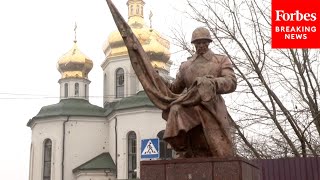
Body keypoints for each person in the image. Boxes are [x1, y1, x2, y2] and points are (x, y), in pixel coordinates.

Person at [162, 27, 237, 158]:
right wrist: (160, 80)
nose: (201, 45)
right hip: (191, 105)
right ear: (194, 44)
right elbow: (175, 89)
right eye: (198, 43)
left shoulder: (221, 60)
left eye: (204, 42)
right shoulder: (186, 65)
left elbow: (231, 82)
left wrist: (213, 83)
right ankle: (182, 148)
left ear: (209, 42)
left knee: (221, 152)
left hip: (212, 107)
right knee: (175, 109)